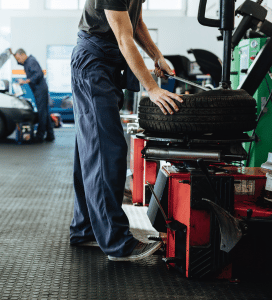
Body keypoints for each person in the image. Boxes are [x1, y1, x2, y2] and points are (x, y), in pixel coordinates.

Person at [70, 0, 183, 261]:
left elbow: (136, 23)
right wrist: (152, 88)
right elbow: (123, 37)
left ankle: (85, 229)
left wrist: (157, 55)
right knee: (106, 150)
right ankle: (117, 244)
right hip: (93, 61)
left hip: (107, 61)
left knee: (91, 148)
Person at [13, 49, 55, 143]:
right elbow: (20, 63)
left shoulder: (31, 61)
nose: (19, 61)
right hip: (38, 90)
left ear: (23, 54)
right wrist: (12, 54)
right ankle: (50, 135)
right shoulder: (27, 62)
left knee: (42, 113)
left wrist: (25, 81)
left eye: (19, 58)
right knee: (45, 112)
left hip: (40, 90)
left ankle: (39, 136)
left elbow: (39, 74)